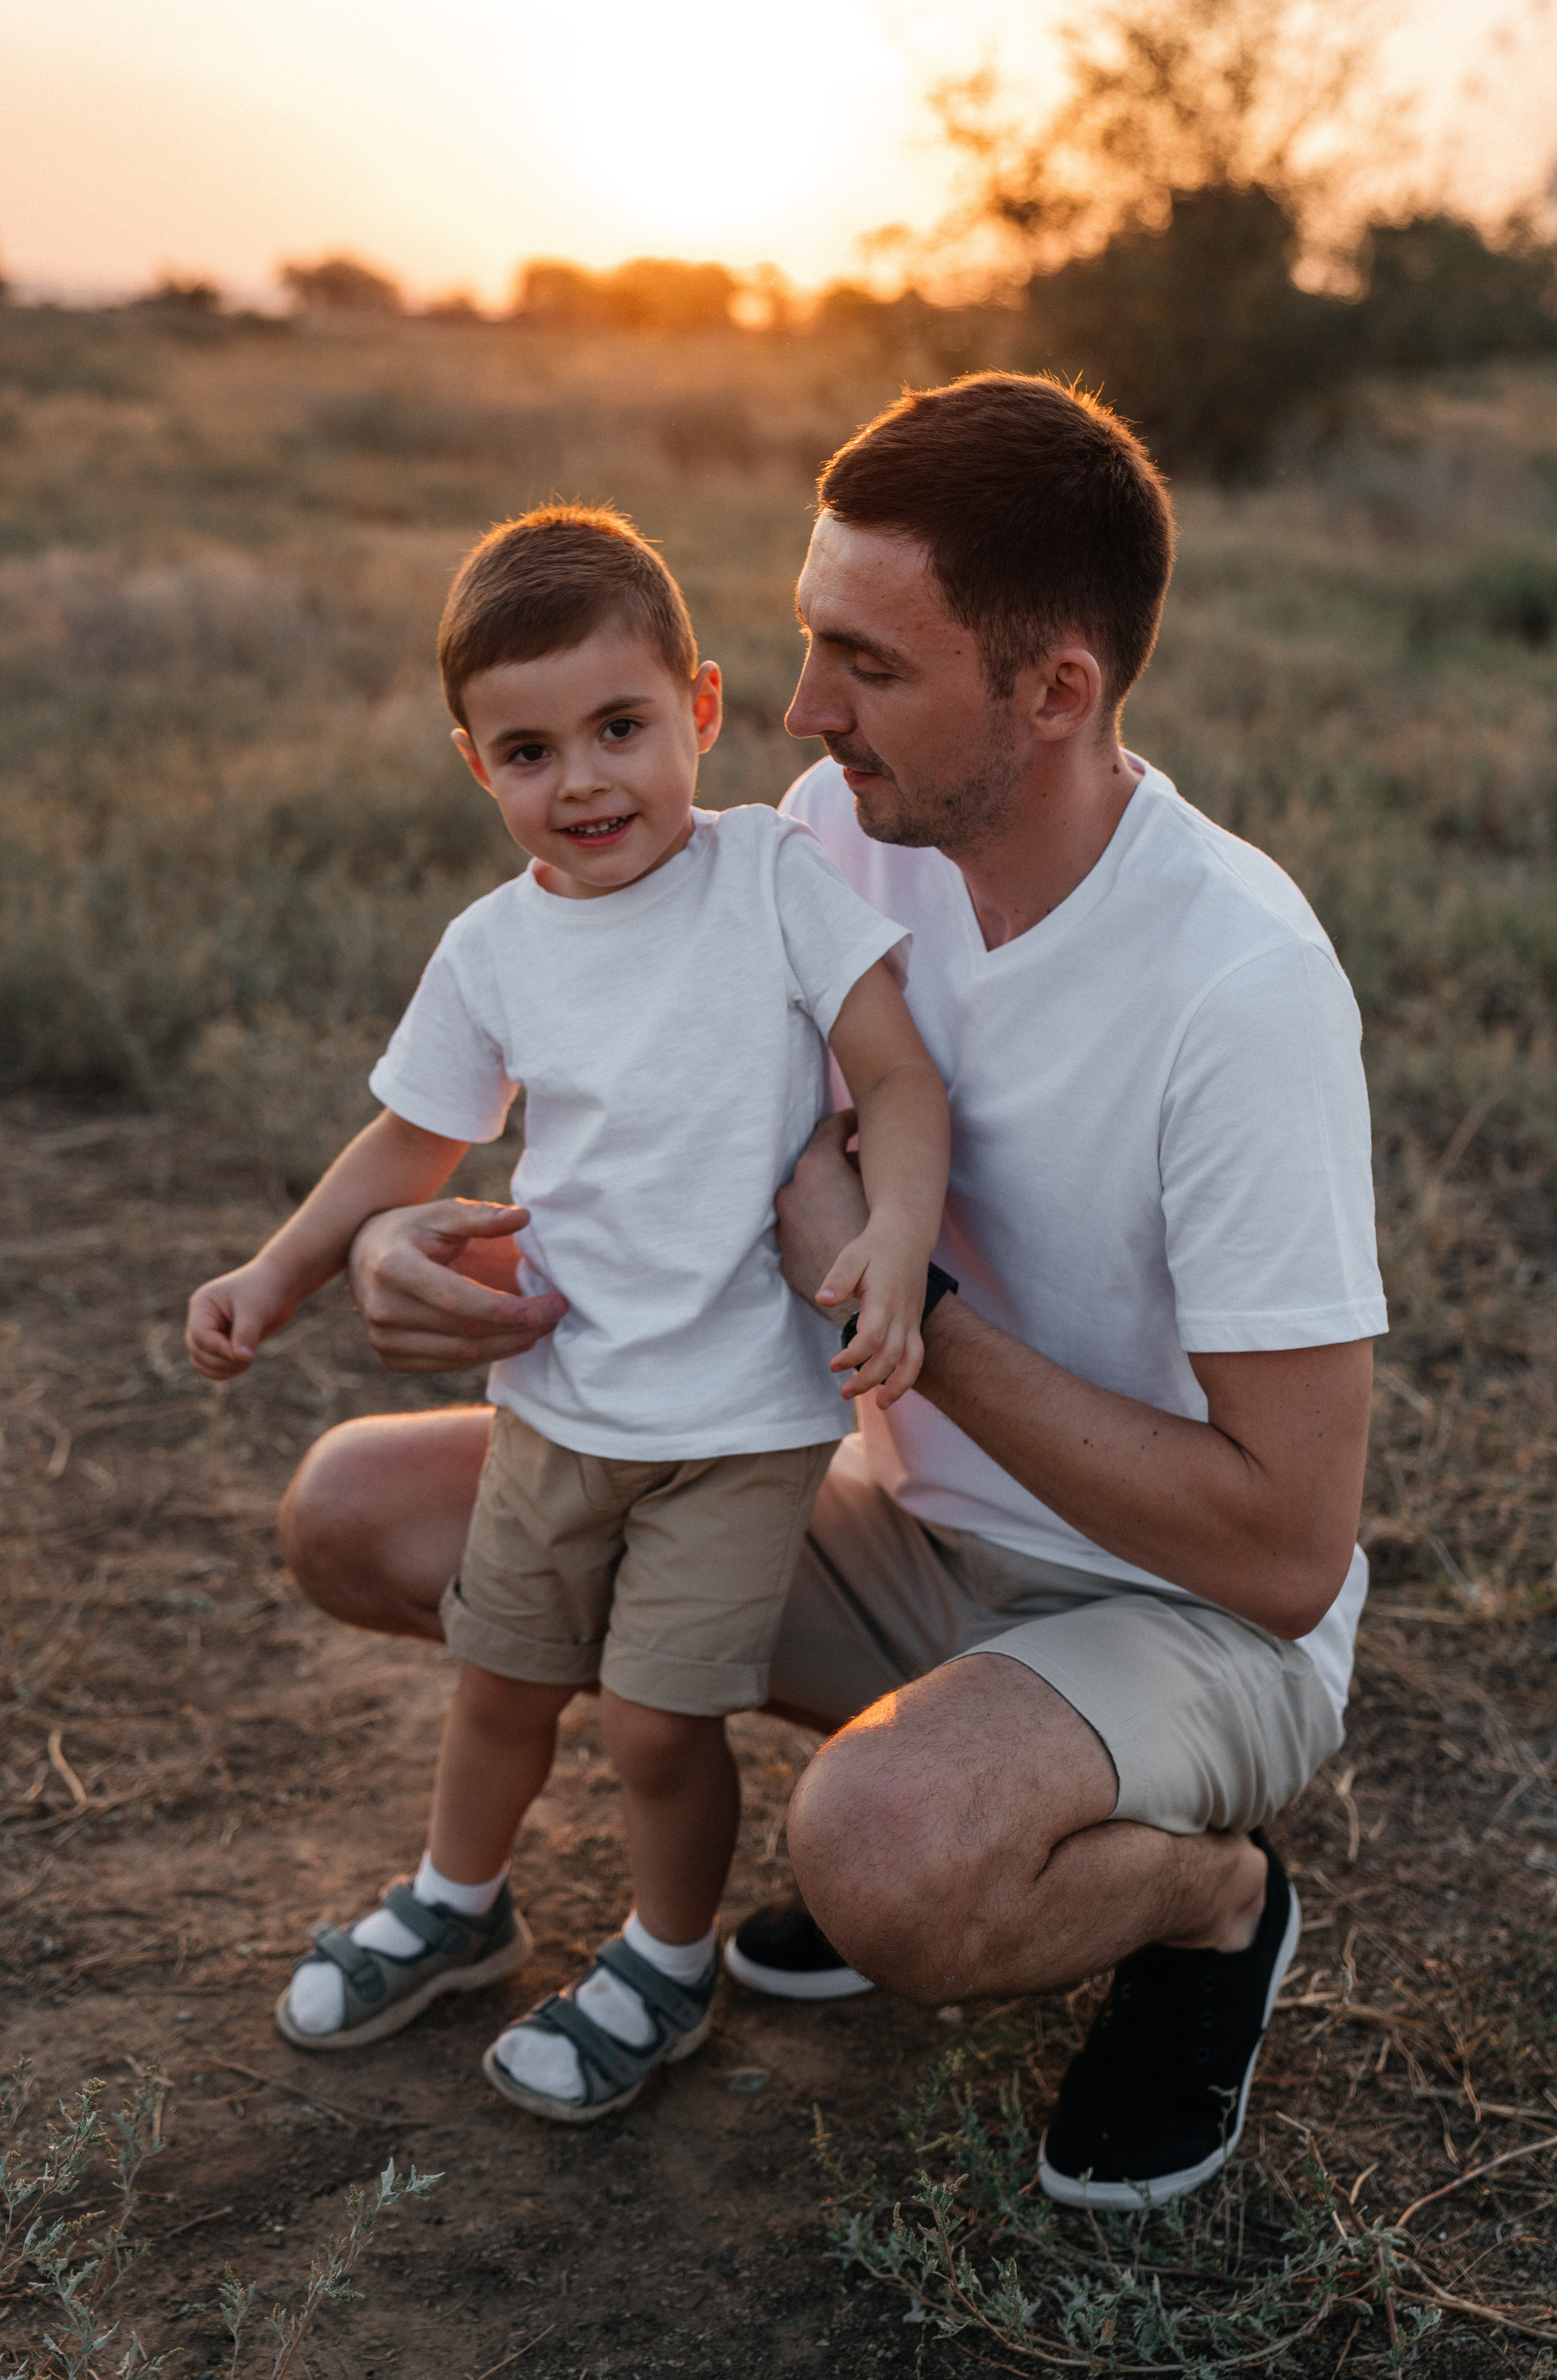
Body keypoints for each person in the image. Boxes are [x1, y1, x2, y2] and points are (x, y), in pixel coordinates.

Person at [272, 375, 1386, 2206]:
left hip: (1185, 1611)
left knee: (883, 1856)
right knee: (364, 1514)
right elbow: (668, 1151)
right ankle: (927, 1767)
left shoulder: (1239, 988)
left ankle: (1212, 1909)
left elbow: (1287, 1550)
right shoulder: (831, 832)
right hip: (894, 1526)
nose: (800, 710)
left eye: (867, 662)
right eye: (808, 644)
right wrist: (428, 1240)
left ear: (1057, 692)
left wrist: (917, 1320)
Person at [185, 504, 950, 2122]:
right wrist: (281, 1268)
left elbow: (895, 1068)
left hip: (739, 1426)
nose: (585, 781)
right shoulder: (497, 948)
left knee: (663, 1726)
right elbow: (413, 1135)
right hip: (555, 1396)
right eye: (529, 751)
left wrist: (893, 1235)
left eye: (621, 727)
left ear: (705, 709)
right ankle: (460, 1907)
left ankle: (668, 1962)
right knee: (501, 1684)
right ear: (478, 767)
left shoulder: (772, 881)